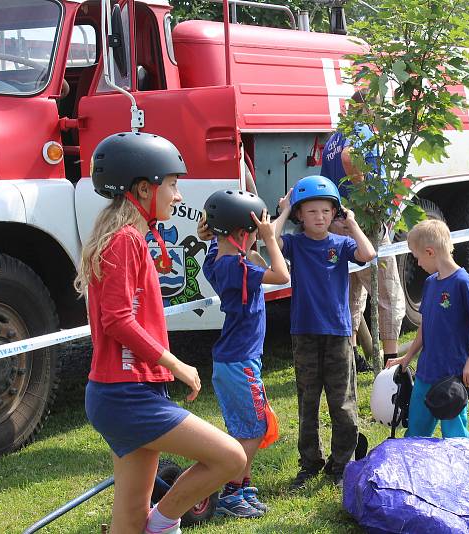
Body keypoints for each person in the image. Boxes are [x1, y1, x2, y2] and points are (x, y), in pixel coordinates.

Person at [74, 132, 246, 534]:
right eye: (171, 183)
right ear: (142, 188)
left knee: (130, 521)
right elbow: (118, 320)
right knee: (231, 458)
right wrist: (177, 364)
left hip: (129, 391)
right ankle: (166, 525)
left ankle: (153, 527)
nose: (178, 195)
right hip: (125, 394)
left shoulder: (132, 238)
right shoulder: (124, 241)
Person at [273, 175, 376, 489]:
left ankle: (342, 463)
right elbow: (270, 240)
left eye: (327, 211)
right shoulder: (294, 243)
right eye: (312, 211)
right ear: (300, 216)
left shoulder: (342, 244)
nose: (320, 217)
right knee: (308, 400)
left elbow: (368, 254)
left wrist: (352, 224)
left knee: (342, 400)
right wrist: (283, 210)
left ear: (336, 214)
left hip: (339, 333)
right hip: (304, 332)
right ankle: (310, 462)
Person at [199, 190, 290, 518]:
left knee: (246, 426)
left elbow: (223, 242)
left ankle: (242, 484)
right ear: (241, 235)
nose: (258, 239)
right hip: (240, 362)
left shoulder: (218, 262)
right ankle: (231, 492)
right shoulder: (239, 268)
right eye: (254, 234)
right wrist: (271, 241)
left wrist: (283, 212)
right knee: (254, 427)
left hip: (232, 360)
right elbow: (282, 276)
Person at [321, 89, 406, 371]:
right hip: (364, 225)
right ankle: (391, 360)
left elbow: (327, 183)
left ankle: (352, 356)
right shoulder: (361, 132)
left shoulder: (334, 138)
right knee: (388, 292)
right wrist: (365, 198)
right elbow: (350, 157)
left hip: (340, 224)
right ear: (371, 110)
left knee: (352, 292)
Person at [385, 219, 469, 438]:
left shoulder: (463, 283)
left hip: (453, 376)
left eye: (416, 256)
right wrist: (408, 356)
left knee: (454, 434)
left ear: (430, 252)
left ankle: (461, 471)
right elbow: (425, 325)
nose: (418, 263)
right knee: (416, 432)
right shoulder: (430, 283)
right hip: (425, 372)